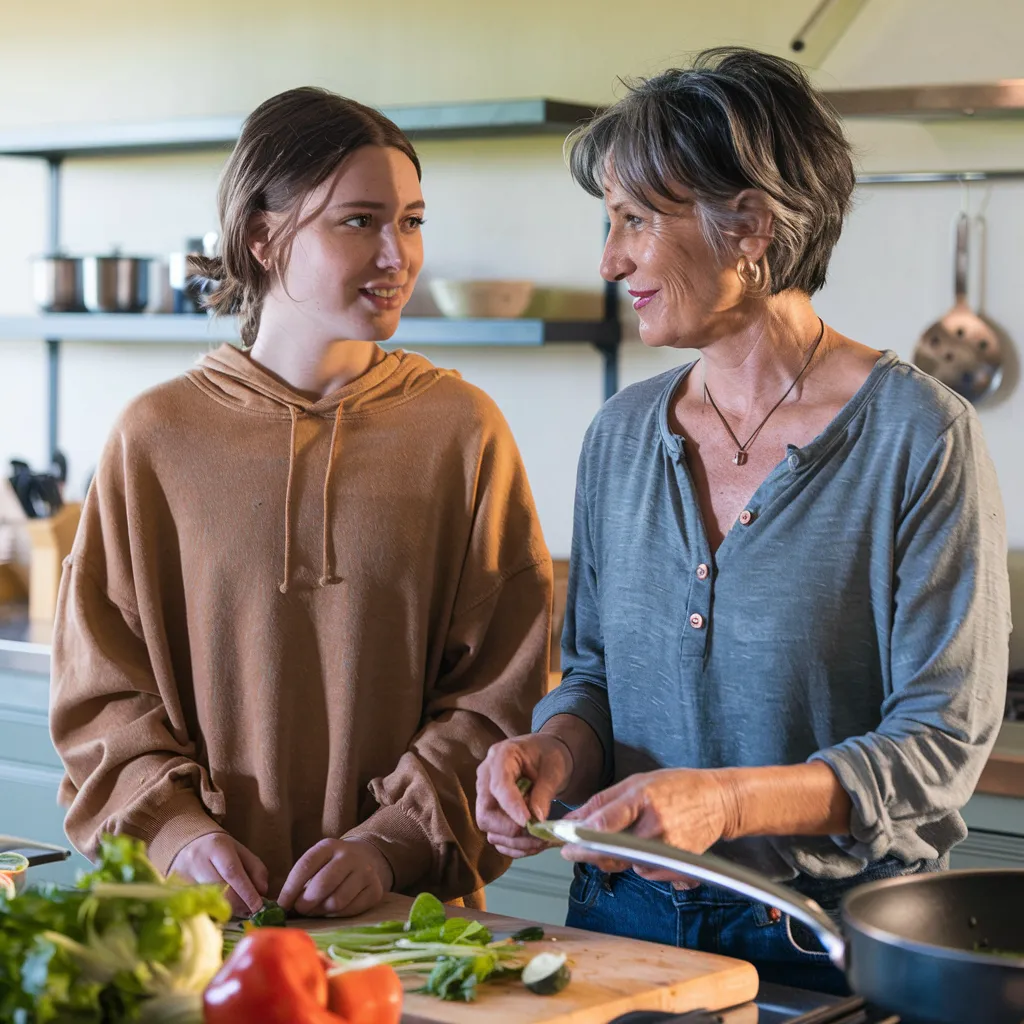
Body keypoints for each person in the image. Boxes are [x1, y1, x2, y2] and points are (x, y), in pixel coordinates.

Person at [476, 47, 1011, 993]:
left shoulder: (919, 435)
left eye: (636, 220)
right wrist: (555, 751)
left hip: (824, 940)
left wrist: (726, 803)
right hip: (619, 924)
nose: (610, 260)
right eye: (610, 221)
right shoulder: (620, 434)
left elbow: (940, 743)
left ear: (750, 225)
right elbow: (595, 675)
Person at [50, 86, 552, 920]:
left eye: (412, 221)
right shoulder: (155, 437)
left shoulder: (464, 432)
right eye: (359, 221)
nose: (397, 254)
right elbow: (100, 693)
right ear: (262, 235)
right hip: (199, 923)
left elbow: (502, 693)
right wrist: (178, 835)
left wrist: (390, 843)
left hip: (404, 930)